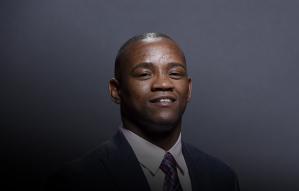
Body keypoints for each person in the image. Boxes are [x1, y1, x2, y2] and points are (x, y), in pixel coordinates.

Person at [45, 32, 240, 191]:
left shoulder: (222, 178)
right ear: (116, 90)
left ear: (188, 89)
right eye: (144, 74)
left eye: (175, 73)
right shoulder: (76, 181)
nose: (163, 83)